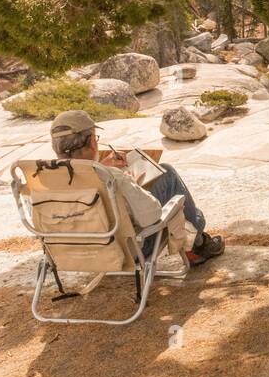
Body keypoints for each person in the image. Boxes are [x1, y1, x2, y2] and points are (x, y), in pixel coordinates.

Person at [48, 110, 225, 266]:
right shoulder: (111, 177)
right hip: (127, 252)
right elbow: (152, 216)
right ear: (92, 141)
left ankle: (197, 242)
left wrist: (101, 166)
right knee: (168, 174)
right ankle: (199, 244)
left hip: (73, 255)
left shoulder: (44, 180)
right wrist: (128, 183)